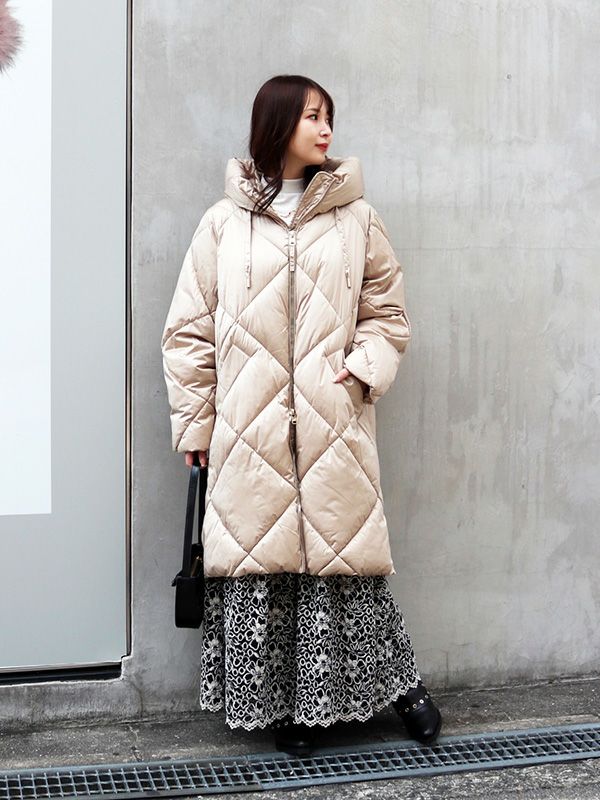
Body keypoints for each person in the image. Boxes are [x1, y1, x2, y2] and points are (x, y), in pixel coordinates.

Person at [161, 74, 442, 756]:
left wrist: (364, 367)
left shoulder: (357, 218)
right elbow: (188, 333)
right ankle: (286, 708)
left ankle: (400, 690)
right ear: (277, 123)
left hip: (330, 422)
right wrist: (195, 424)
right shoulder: (223, 223)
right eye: (312, 116)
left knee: (346, 566)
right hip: (249, 428)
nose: (325, 129)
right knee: (265, 571)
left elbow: (387, 315)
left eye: (329, 117)